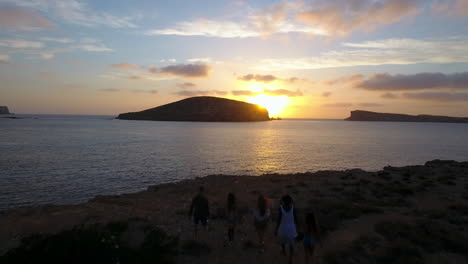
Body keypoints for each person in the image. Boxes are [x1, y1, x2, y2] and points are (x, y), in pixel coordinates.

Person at [275, 195, 298, 264]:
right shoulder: (293, 208)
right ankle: (290, 259)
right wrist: (298, 228)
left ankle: (284, 251)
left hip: (283, 227)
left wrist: (276, 229)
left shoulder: (281, 208)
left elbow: (279, 220)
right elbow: (296, 219)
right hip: (291, 228)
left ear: (283, 202)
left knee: (283, 240)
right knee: (291, 245)